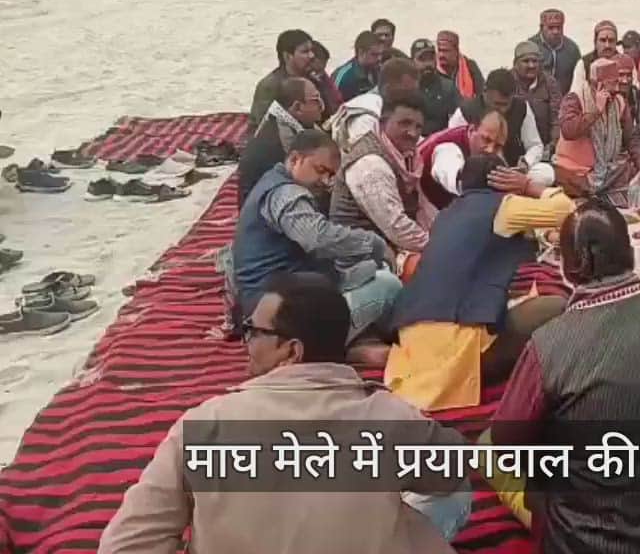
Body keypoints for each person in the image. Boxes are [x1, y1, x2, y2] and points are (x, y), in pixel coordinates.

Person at [99, 272, 473, 554]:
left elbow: (126, 546)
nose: (246, 341)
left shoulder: (203, 426)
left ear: (292, 350)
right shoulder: (390, 418)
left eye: (253, 332)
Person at [491, 200, 640, 553]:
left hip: (587, 540)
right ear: (630, 253)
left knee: (486, 448)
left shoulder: (549, 343)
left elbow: (507, 443)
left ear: (567, 268)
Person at [386, 154, 572, 410]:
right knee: (556, 307)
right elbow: (566, 212)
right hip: (456, 358)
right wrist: (528, 186)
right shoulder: (502, 205)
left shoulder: (445, 216)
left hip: (410, 351)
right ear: (504, 181)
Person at [232, 131, 401, 354]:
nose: (325, 181)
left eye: (330, 175)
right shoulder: (285, 194)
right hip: (279, 320)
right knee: (388, 286)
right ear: (295, 159)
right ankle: (333, 349)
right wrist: (373, 244)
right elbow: (318, 239)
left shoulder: (271, 183)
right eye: (320, 170)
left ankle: (350, 344)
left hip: (274, 307)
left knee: (372, 271)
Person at [329, 92, 431, 278]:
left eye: (418, 126)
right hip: (358, 263)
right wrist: (439, 245)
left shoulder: (407, 157)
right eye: (404, 123)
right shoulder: (370, 164)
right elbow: (397, 227)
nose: (413, 133)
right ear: (383, 122)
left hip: (389, 248)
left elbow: (422, 209)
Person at [554, 57, 640, 204]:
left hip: (605, 170)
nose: (617, 89)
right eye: (612, 84)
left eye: (617, 83)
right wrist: (595, 112)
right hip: (575, 171)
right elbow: (568, 131)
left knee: (629, 171)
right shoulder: (574, 99)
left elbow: (632, 139)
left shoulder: (619, 102)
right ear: (597, 85)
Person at [448, 68, 555, 187]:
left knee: (546, 172)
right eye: (497, 104)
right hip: (475, 174)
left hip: (511, 172)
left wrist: (525, 163)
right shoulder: (465, 112)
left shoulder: (522, 108)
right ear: (485, 92)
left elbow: (535, 145)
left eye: (506, 105)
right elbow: (450, 149)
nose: (502, 110)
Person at [239, 77, 325, 206]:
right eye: (315, 100)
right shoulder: (280, 140)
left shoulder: (292, 124)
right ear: (297, 108)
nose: (322, 106)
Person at [328, 58, 422, 159]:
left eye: (414, 92)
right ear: (388, 87)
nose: (412, 97)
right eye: (407, 92)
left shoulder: (396, 110)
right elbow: (364, 156)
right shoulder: (364, 116)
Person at [418, 109, 510, 211]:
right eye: (486, 140)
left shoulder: (485, 149)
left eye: (497, 146)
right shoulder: (448, 150)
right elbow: (454, 176)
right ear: (472, 130)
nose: (490, 149)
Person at [250, 29, 314, 127]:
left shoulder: (312, 79)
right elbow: (264, 125)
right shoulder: (269, 86)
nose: (311, 55)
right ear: (287, 56)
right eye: (305, 52)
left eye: (311, 51)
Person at [513, 40, 562, 154]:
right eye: (526, 61)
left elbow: (557, 118)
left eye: (535, 61)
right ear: (515, 63)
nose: (531, 65)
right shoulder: (508, 81)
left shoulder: (550, 83)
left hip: (546, 147)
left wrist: (552, 144)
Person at [408, 37, 460, 137]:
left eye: (431, 58)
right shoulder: (406, 88)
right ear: (412, 62)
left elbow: (459, 117)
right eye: (422, 59)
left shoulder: (447, 87)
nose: (428, 64)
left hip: (441, 141)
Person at [528, 8, 581, 96]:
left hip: (564, 101)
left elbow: (579, 79)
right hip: (536, 101)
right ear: (541, 27)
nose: (555, 32)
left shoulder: (572, 49)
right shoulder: (530, 47)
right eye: (551, 28)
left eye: (559, 27)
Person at [333, 30, 384, 102]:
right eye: (374, 54)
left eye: (381, 54)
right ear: (361, 52)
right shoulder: (345, 77)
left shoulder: (378, 69)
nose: (379, 58)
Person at [436, 30, 483, 99]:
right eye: (440, 50)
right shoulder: (432, 67)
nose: (441, 55)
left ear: (456, 51)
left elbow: (481, 94)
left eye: (446, 51)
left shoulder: (470, 66)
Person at [307, 39, 342, 120]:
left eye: (323, 70)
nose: (321, 74)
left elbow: (337, 99)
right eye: (317, 71)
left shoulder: (323, 77)